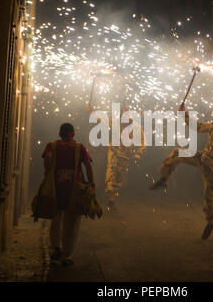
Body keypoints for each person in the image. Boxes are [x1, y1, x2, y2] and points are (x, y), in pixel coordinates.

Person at [150, 98, 213, 240]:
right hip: (203, 159)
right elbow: (197, 126)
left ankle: (210, 222)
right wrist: (184, 114)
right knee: (177, 152)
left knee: (209, 195)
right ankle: (164, 178)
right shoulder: (212, 127)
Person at [42, 123, 95, 266]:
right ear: (73, 133)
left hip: (56, 187)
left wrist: (48, 174)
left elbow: (47, 158)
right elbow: (88, 166)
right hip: (74, 189)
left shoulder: (51, 145)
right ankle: (67, 254)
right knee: (72, 222)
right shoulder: (79, 148)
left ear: (60, 133)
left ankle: (55, 249)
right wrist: (91, 184)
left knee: (55, 218)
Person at [87, 103, 146, 212]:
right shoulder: (115, 122)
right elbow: (102, 118)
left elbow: (143, 142)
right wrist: (92, 112)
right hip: (114, 152)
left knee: (119, 177)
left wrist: (138, 153)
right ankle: (109, 195)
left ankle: (111, 199)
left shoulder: (136, 127)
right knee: (111, 172)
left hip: (125, 155)